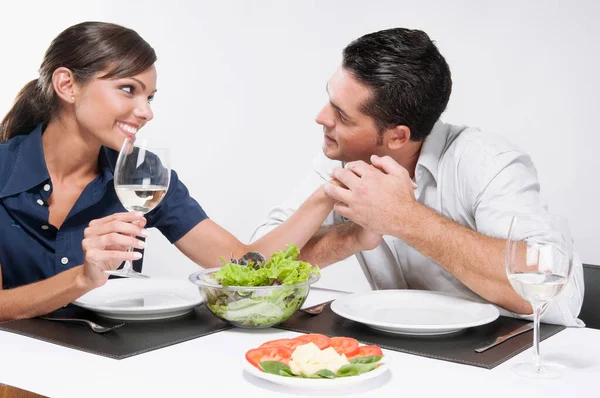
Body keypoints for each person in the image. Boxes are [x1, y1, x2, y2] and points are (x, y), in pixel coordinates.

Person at [0, 21, 335, 321]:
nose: (146, 112)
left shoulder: (144, 175)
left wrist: (326, 195)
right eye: (128, 89)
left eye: (150, 97)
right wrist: (81, 279)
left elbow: (244, 264)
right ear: (67, 85)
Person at [251, 27, 584, 326]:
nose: (321, 118)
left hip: (510, 356)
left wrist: (405, 218)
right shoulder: (341, 159)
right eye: (329, 99)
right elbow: (254, 267)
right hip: (404, 357)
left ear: (397, 136)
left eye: (342, 116)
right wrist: (351, 236)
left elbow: (560, 296)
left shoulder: (487, 163)